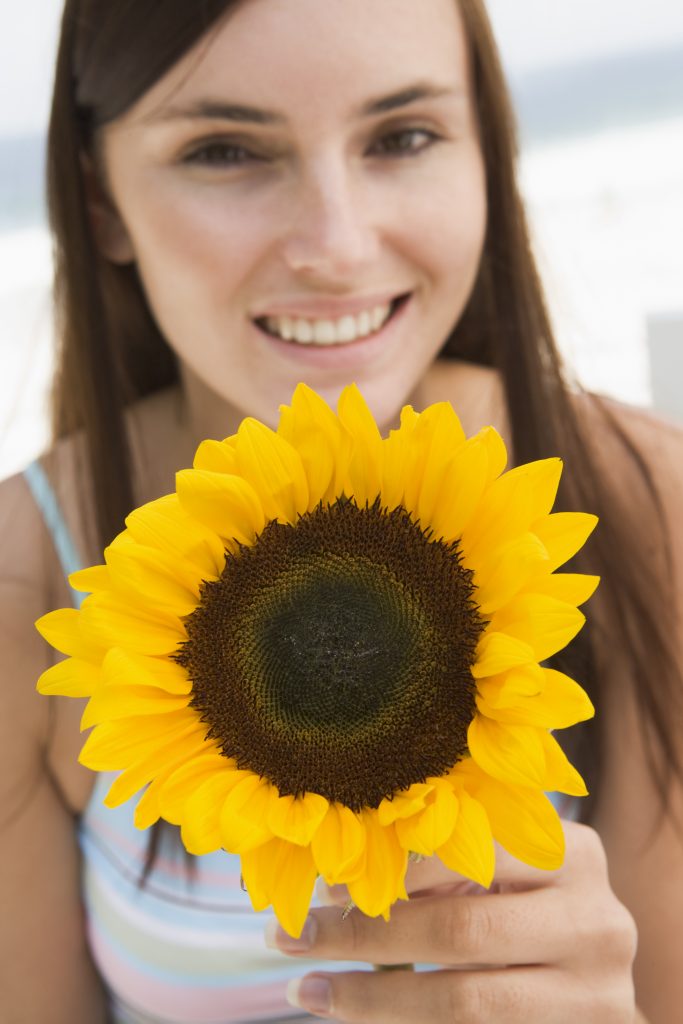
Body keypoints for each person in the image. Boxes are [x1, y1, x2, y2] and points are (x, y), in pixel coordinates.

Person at [1, 0, 681, 1021]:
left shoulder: (634, 501)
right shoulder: (25, 574)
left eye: (402, 137)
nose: (335, 244)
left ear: (483, 153)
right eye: (226, 150)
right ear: (99, 201)